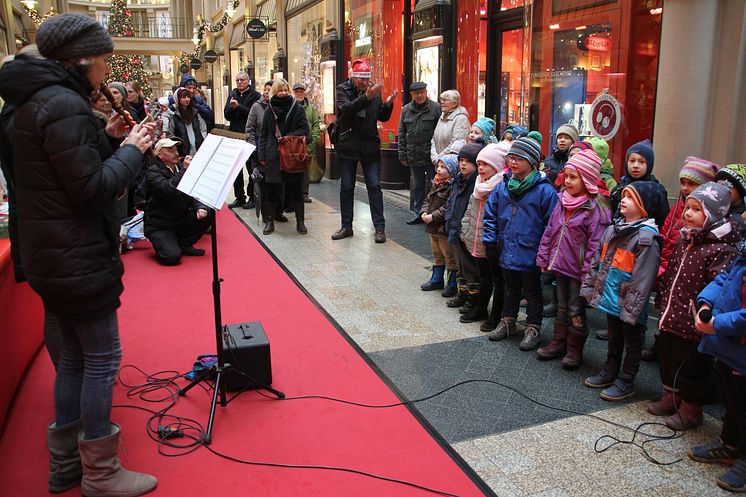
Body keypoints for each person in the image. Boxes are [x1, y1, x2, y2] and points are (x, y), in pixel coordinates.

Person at [0, 13, 157, 496]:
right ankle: (101, 473)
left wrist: (106, 140)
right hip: (76, 255)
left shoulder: (30, 102)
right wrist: (130, 149)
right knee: (101, 359)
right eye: (105, 61)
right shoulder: (63, 104)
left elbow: (59, 175)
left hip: (49, 252)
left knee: (69, 360)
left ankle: (65, 464)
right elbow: (92, 190)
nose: (107, 72)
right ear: (83, 59)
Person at [651, 182, 738, 430]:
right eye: (687, 208)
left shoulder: (720, 249)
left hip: (692, 321)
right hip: (672, 313)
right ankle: (671, 397)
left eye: (696, 210)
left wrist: (703, 311)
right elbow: (672, 271)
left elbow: (719, 287)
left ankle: (691, 408)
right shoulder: (685, 239)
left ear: (712, 215)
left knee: (691, 366)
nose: (687, 214)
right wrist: (662, 295)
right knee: (667, 357)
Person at [581, 182, 662, 400]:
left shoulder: (646, 239)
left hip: (630, 302)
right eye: (623, 196)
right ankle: (610, 369)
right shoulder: (613, 229)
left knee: (633, 341)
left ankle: (627, 379)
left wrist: (632, 308)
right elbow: (597, 262)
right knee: (614, 336)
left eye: (631, 198)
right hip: (611, 296)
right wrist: (590, 288)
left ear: (644, 207)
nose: (623, 200)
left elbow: (643, 280)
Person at [536, 149, 611, 368]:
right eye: (566, 176)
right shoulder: (562, 201)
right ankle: (559, 342)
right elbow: (550, 231)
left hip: (579, 272)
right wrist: (543, 258)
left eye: (573, 177)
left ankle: (574, 350)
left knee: (575, 309)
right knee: (561, 307)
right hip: (561, 266)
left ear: (586, 179)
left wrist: (588, 274)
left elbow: (595, 247)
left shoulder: (594, 209)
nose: (567, 181)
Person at [482, 135, 558, 351]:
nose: (513, 162)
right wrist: (490, 241)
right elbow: (491, 215)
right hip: (507, 248)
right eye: (511, 158)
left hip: (531, 251)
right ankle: (508, 320)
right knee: (509, 288)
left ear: (533, 162)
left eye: (519, 159)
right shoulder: (503, 186)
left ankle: (533, 326)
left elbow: (551, 225)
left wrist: (544, 253)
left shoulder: (545, 190)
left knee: (533, 291)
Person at [689, 238, 746, 493]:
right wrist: (706, 303)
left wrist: (717, 324)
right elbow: (724, 279)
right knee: (731, 398)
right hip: (728, 346)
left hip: (739, 344)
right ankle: (729, 445)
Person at [331, 59, 397, 243]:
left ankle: (380, 229)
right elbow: (347, 110)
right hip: (348, 146)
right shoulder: (342, 90)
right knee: (347, 187)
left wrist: (389, 104)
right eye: (360, 79)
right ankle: (346, 226)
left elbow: (381, 116)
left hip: (369, 147)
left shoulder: (372, 91)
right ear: (353, 76)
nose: (364, 82)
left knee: (375, 187)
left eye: (366, 78)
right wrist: (366, 97)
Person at [458, 142, 510, 326]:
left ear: (496, 166)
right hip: (476, 240)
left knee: (497, 280)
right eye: (479, 164)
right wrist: (465, 232)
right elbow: (469, 212)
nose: (480, 167)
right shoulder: (479, 185)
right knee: (483, 278)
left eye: (485, 164)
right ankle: (480, 309)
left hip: (492, 243)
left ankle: (495, 315)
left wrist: (495, 242)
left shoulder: (501, 187)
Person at [143, 138, 210, 265]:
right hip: (160, 223)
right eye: (170, 150)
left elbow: (194, 191)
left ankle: (184, 244)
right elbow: (168, 190)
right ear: (160, 154)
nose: (176, 153)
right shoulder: (152, 171)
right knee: (172, 257)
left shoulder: (179, 167)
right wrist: (185, 171)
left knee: (207, 211)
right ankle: (169, 244)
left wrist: (201, 207)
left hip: (179, 218)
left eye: (176, 150)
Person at [258, 78, 310, 235]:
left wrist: (287, 138)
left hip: (292, 154)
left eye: (285, 89)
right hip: (273, 155)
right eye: (280, 90)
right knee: (271, 189)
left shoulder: (297, 108)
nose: (283, 93)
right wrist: (261, 155)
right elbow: (264, 134)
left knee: (296, 189)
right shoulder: (269, 110)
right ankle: (270, 221)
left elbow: (305, 130)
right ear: (275, 91)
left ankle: (300, 222)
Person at [444, 143, 483, 308]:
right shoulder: (456, 181)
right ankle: (462, 294)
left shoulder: (476, 184)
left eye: (468, 161)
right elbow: (450, 202)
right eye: (461, 160)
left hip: (466, 231)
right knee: (460, 266)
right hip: (454, 228)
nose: (463, 164)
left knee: (470, 269)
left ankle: (473, 300)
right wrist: (448, 218)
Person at [398, 81, 441, 225]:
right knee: (417, 186)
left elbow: (439, 133)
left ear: (426, 92)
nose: (420, 95)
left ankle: (431, 213)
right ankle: (418, 213)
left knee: (434, 185)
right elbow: (401, 133)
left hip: (431, 156)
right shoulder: (405, 110)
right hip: (413, 155)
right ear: (412, 94)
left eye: (422, 92)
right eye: (417, 93)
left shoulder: (435, 108)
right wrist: (402, 154)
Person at [608, 139, 669, 229]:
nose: (636, 165)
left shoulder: (656, 191)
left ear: (649, 164)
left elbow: (663, 220)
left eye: (642, 162)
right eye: (632, 161)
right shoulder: (618, 189)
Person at [419, 154, 459, 293]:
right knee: (437, 254)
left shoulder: (452, 186)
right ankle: (437, 279)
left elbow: (447, 207)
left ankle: (453, 283)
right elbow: (427, 200)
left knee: (449, 255)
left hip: (442, 228)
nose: (439, 170)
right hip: (432, 227)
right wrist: (424, 212)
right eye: (439, 166)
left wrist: (433, 216)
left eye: (443, 167)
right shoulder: (435, 183)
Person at [225, 71, 261, 209]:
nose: (239, 82)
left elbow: (252, 114)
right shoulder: (232, 94)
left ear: (248, 81)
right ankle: (239, 197)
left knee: (251, 167)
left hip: (249, 136)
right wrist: (232, 109)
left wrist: (238, 107)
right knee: (236, 169)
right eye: (237, 80)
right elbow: (227, 115)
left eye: (242, 80)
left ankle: (252, 196)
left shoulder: (254, 96)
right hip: (235, 136)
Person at [292, 82, 321, 204]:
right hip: (293, 145)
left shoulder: (311, 108)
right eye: (297, 91)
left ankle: (304, 194)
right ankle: (293, 195)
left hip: (307, 145)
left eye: (301, 91)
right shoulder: (290, 106)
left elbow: (315, 125)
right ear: (293, 92)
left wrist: (313, 140)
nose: (299, 93)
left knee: (305, 171)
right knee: (293, 170)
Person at [430, 89, 469, 164]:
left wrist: (440, 158)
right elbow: (434, 139)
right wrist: (434, 157)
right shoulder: (443, 115)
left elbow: (456, 143)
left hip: (450, 163)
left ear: (454, 104)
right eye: (441, 99)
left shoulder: (461, 118)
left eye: (445, 100)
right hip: (439, 162)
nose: (441, 102)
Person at [168, 86, 207, 157]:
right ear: (178, 99)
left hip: (198, 151)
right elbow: (171, 134)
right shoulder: (174, 116)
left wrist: (201, 140)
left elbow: (203, 128)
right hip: (183, 153)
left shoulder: (195, 114)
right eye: (183, 97)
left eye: (188, 97)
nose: (187, 99)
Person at [715, 164, 746, 239]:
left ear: (740, 189)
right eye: (718, 185)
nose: (722, 189)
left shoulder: (742, 217)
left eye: (727, 185)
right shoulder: (714, 208)